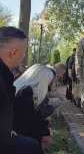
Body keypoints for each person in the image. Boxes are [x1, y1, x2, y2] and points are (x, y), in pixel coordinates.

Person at [0, 26, 42, 154]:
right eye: (24, 52)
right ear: (14, 52)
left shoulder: (5, 74)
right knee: (31, 146)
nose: (24, 57)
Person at [13, 64, 55, 150]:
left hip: (13, 130)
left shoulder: (21, 88)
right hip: (17, 133)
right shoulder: (27, 93)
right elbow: (29, 124)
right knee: (47, 138)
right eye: (48, 83)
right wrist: (47, 131)